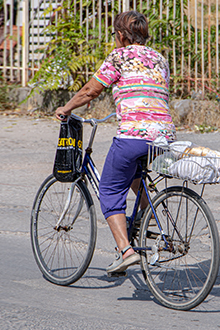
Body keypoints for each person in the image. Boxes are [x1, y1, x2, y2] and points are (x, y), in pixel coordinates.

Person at [55, 11, 176, 274]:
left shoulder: (119, 56)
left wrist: (67, 107)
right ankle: (153, 225)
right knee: (134, 175)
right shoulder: (160, 59)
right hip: (164, 137)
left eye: (115, 34)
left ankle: (126, 251)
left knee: (110, 190)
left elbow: (91, 90)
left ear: (121, 35)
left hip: (134, 135)